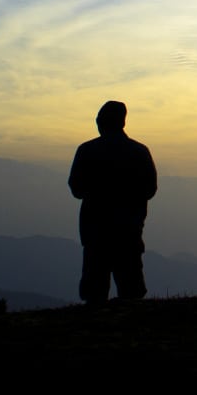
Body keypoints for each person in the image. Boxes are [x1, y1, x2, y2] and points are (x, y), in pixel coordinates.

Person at [68, 101, 158, 303]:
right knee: (131, 288)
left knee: (94, 290)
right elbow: (150, 189)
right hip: (129, 229)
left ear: (100, 122)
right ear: (122, 123)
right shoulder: (139, 151)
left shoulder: (87, 150)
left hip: (95, 230)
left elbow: (76, 188)